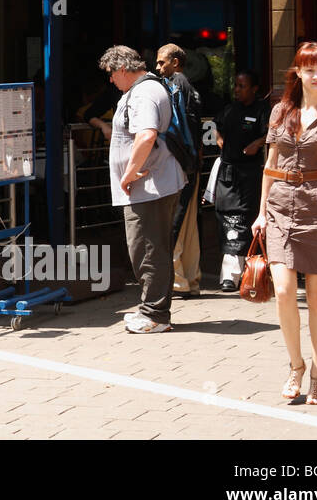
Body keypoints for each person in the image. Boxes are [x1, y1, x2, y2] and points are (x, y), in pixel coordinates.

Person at [252, 41, 317, 406]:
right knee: (282, 292)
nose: (314, 75)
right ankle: (295, 364)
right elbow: (270, 162)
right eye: (308, 69)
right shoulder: (281, 111)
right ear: (296, 72)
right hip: (279, 204)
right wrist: (261, 212)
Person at [98, 45, 186, 334]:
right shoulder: (145, 89)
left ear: (122, 69)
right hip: (153, 185)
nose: (111, 80)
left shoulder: (143, 92)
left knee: (147, 249)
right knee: (152, 248)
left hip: (149, 187)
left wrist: (130, 172)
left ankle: (155, 315)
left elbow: (146, 134)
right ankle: (154, 310)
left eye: (112, 74)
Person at [212, 70, 272, 291]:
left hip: (250, 174)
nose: (237, 90)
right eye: (236, 86)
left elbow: (272, 133)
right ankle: (231, 273)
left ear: (254, 88)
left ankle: (237, 274)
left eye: (242, 86)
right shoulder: (230, 109)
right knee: (225, 218)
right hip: (228, 173)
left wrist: (257, 143)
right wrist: (221, 141)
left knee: (242, 220)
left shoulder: (263, 110)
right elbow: (217, 125)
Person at [156, 43, 203, 298]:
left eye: (162, 62)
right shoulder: (188, 87)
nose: (158, 67)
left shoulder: (175, 85)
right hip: (191, 163)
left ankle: (177, 281)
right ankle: (189, 279)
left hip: (181, 164)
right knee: (188, 225)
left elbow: (179, 127)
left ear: (175, 62)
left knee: (174, 222)